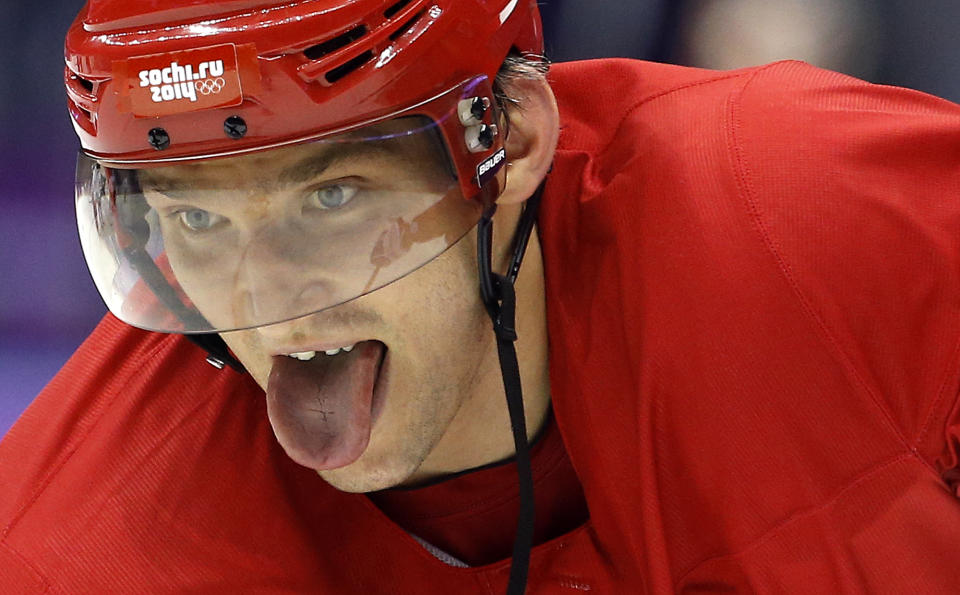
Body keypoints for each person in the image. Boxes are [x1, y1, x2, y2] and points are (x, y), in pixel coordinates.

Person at [2, 0, 960, 593]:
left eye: (331, 195)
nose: (270, 299)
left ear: (514, 142)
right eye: (199, 223)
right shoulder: (71, 550)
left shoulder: (802, 211)